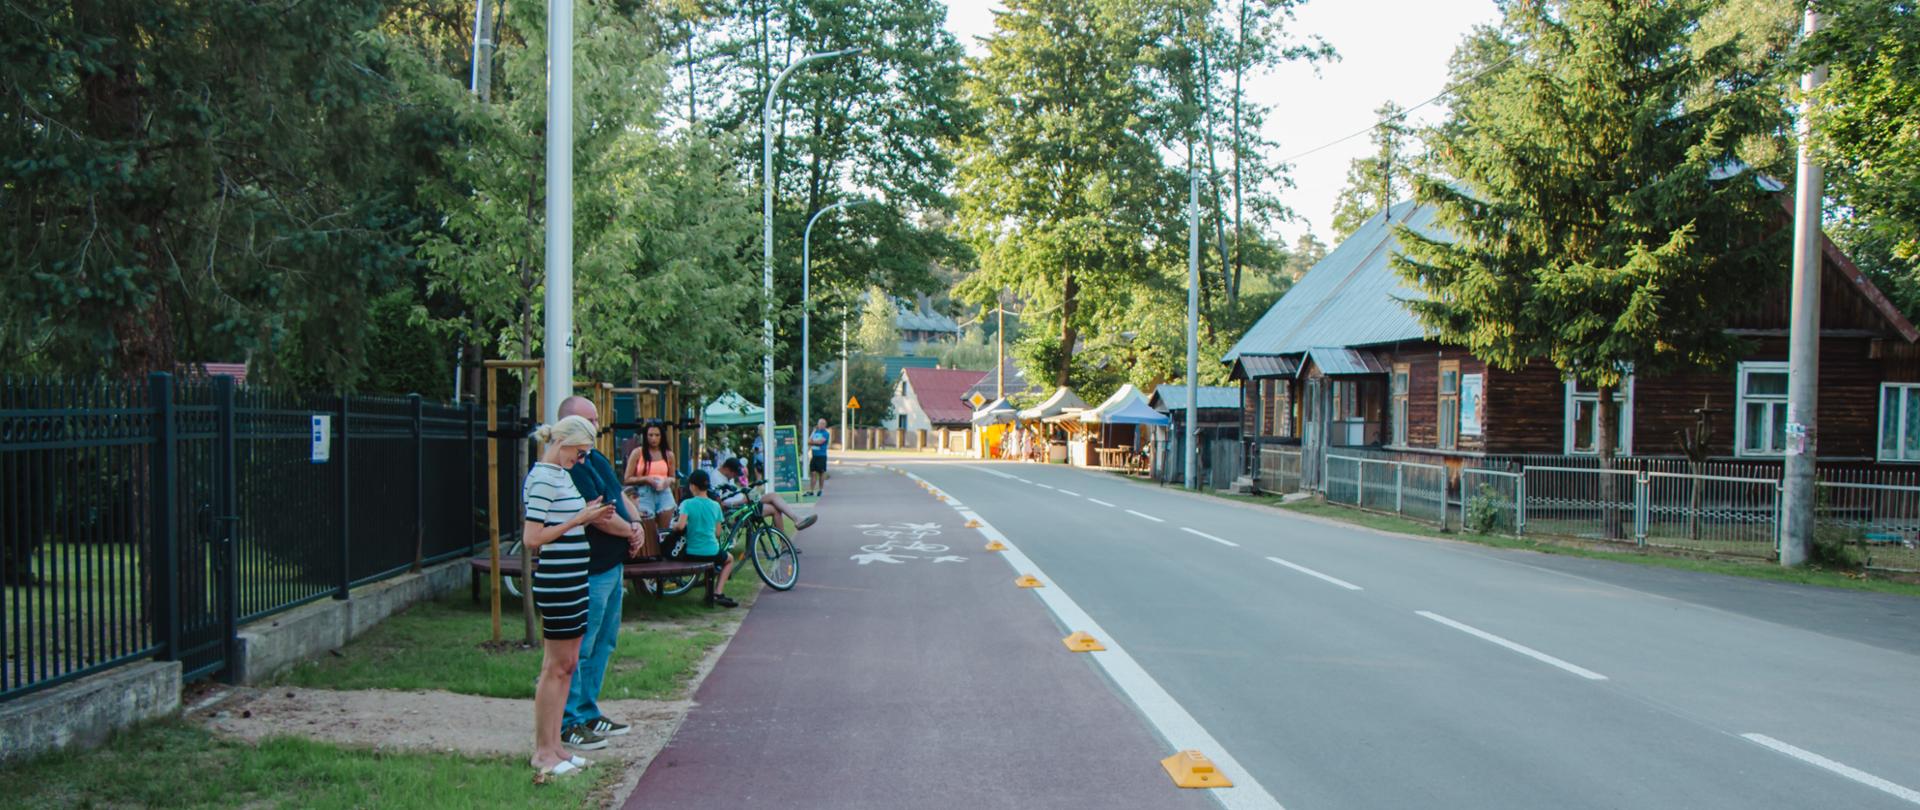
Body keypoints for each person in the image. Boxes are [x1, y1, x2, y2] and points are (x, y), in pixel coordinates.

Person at [520, 415, 614, 778]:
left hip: (573, 579)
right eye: (579, 452)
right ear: (564, 443)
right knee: (555, 668)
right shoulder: (543, 476)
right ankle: (543, 751)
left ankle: (556, 746)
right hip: (558, 581)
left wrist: (587, 516)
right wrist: (579, 520)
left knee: (567, 665)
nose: (581, 460)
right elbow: (533, 538)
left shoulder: (559, 474)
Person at [555, 397, 644, 753]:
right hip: (588, 568)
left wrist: (636, 523)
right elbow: (601, 514)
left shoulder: (596, 458)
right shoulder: (571, 466)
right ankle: (568, 720)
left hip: (611, 565)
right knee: (580, 646)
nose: (596, 425)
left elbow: (618, 496)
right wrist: (628, 531)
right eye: (589, 420)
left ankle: (589, 711)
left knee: (604, 643)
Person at [670, 469, 738, 608]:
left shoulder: (687, 504)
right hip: (711, 552)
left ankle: (711, 591)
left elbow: (681, 525)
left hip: (691, 553)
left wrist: (674, 526)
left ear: (693, 486)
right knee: (729, 559)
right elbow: (718, 533)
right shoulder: (715, 506)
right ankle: (718, 592)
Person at [715, 456, 816, 531]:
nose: (734, 477)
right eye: (734, 474)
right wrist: (738, 502)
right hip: (737, 508)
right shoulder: (715, 478)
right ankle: (795, 522)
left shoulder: (727, 477)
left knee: (772, 497)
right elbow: (720, 503)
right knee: (774, 506)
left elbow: (734, 492)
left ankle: (796, 521)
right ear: (727, 469)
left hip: (742, 502)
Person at [623, 422, 678, 553]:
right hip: (644, 492)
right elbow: (627, 478)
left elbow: (673, 476)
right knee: (647, 529)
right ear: (645, 436)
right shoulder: (638, 453)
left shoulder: (668, 454)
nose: (653, 438)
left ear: (662, 436)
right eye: (650, 435)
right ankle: (649, 556)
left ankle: (665, 559)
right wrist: (647, 479)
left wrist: (667, 481)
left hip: (664, 492)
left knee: (665, 530)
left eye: (657, 435)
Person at [806, 417, 831, 497]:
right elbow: (808, 441)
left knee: (821, 473)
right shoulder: (815, 432)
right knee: (813, 473)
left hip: (821, 456)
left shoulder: (826, 433)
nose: (821, 425)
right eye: (820, 423)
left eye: (823, 424)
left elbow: (820, 442)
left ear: (825, 425)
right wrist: (813, 432)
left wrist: (813, 442)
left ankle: (820, 490)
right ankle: (811, 490)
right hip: (814, 455)